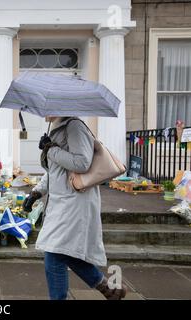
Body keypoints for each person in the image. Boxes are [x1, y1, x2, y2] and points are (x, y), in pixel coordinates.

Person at [23, 116, 127, 300]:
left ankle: (106, 289)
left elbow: (82, 163)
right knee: (61, 253)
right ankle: (109, 289)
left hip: (74, 202)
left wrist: (51, 149)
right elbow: (56, 171)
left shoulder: (75, 126)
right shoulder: (58, 128)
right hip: (62, 203)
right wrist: (36, 192)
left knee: (54, 256)